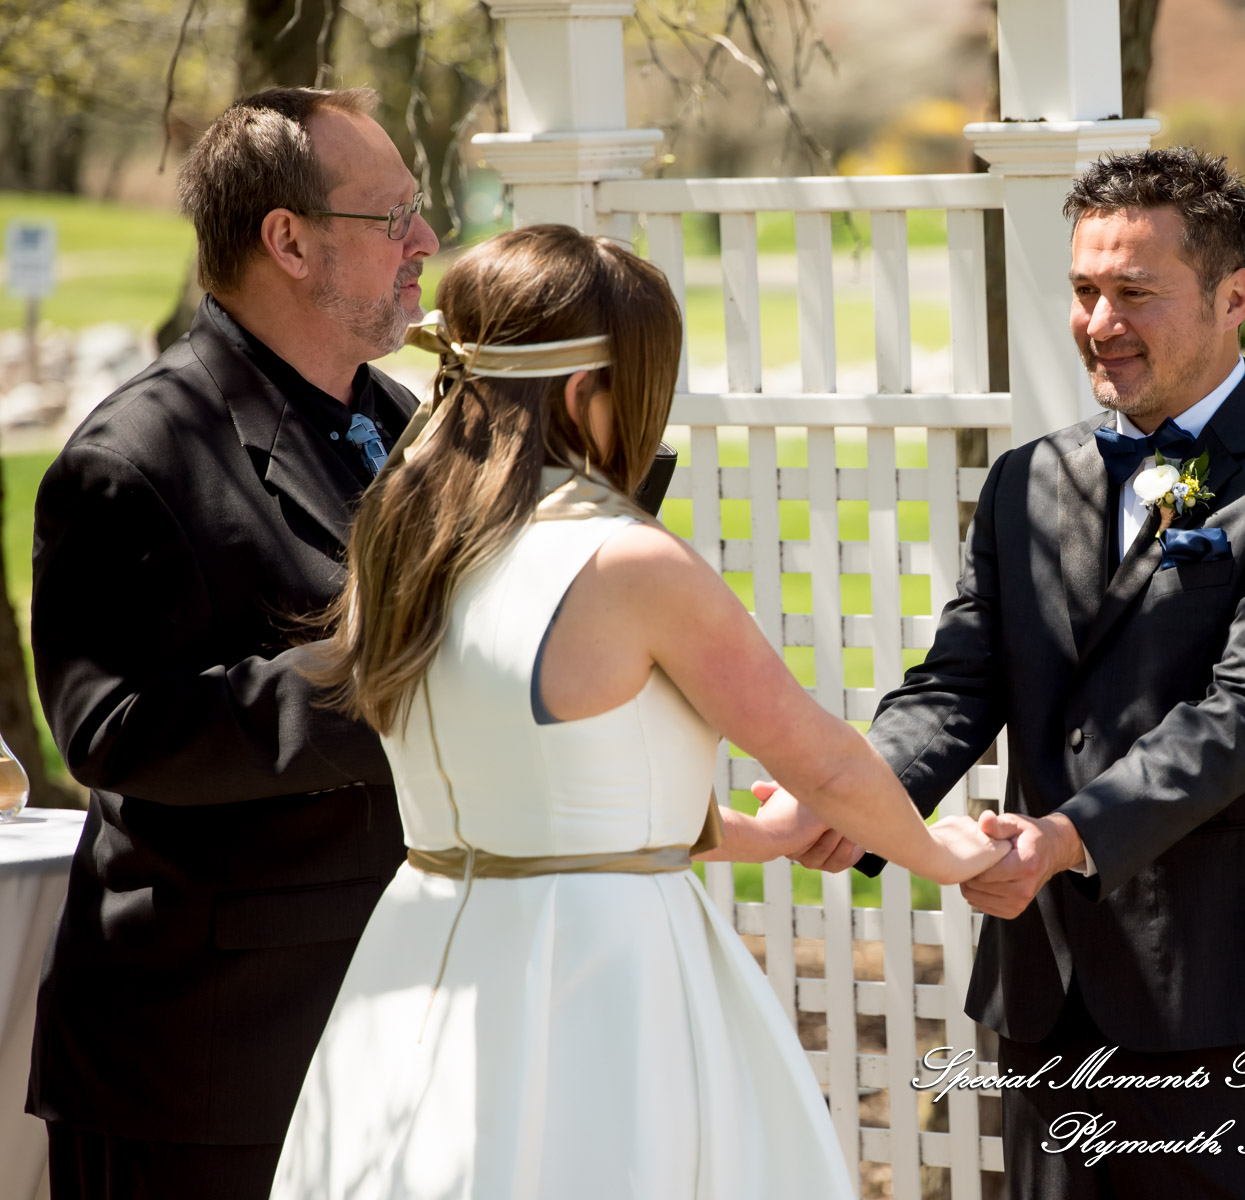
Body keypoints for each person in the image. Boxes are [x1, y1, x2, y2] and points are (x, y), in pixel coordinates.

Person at [268, 223, 1012, 1200]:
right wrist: (950, 855)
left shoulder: (401, 539)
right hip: (603, 970)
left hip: (422, 949)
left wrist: (754, 834)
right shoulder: (627, 562)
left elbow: (542, 792)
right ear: (585, 391)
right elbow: (822, 759)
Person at [769, 148, 1245, 1198]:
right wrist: (853, 789)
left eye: (1134, 293)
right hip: (1049, 983)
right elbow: (958, 681)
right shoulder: (1028, 479)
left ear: (1232, 297)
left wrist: (1063, 838)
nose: (1100, 321)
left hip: (1229, 980)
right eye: (1086, 290)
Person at [28, 86, 439, 1200]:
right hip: (209, 1066)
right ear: (290, 241)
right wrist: (398, 677)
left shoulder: (401, 418)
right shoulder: (137, 453)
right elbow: (110, 733)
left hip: (394, 1030)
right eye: (392, 214)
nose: (426, 242)